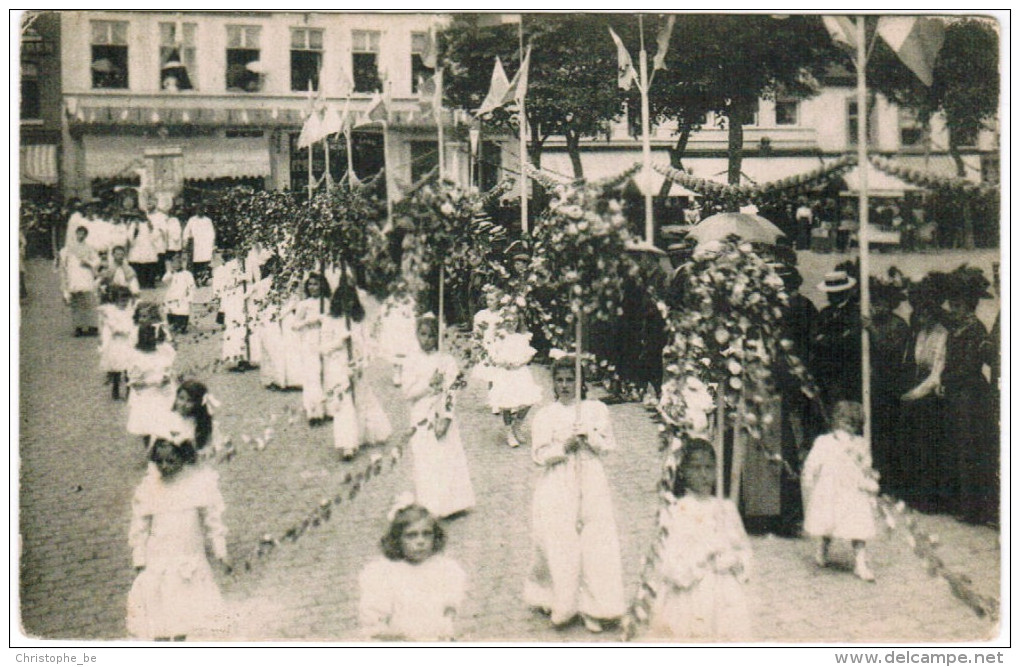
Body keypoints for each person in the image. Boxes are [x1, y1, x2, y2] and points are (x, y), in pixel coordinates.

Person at [524, 356, 625, 633]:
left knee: (596, 539)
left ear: (581, 383)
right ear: (554, 383)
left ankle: (596, 606)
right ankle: (564, 602)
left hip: (591, 479)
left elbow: (608, 446)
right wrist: (563, 447)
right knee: (562, 541)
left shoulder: (596, 410)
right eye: (560, 380)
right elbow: (539, 455)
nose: (566, 385)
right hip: (558, 482)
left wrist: (590, 436)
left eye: (571, 380)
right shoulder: (546, 415)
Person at [648, 439, 752, 640]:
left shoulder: (726, 508)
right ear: (683, 472)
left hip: (725, 595)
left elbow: (743, 549)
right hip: (690, 597)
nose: (704, 475)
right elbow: (670, 567)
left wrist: (734, 560)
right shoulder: (676, 511)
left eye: (709, 468)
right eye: (696, 468)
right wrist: (704, 553)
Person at [126, 439, 230, 640]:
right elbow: (140, 526)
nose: (165, 466)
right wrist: (139, 557)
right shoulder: (149, 488)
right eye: (160, 462)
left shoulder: (197, 485)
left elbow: (212, 520)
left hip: (188, 556)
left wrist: (220, 550)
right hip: (160, 558)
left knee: (184, 613)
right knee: (160, 612)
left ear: (184, 457)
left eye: (171, 461)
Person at [358, 498, 467, 641]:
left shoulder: (446, 569)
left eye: (427, 534)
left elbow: (450, 607)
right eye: (411, 535)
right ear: (397, 539)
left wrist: (446, 627)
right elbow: (374, 625)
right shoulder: (383, 573)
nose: (420, 541)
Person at [401, 314, 475, 518]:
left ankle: (453, 503)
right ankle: (430, 503)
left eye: (431, 336)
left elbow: (453, 391)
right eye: (422, 335)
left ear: (437, 338)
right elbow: (407, 392)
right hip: (420, 414)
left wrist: (447, 417)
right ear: (416, 335)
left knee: (446, 457)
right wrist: (428, 384)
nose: (426, 340)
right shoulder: (411, 360)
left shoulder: (446, 360)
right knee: (426, 459)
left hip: (442, 412)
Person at [801, 401, 879, 582]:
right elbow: (813, 462)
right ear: (835, 421)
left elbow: (866, 466)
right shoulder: (824, 442)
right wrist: (809, 477)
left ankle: (860, 563)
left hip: (853, 491)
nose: (847, 426)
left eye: (853, 423)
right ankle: (822, 548)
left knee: (859, 524)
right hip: (830, 490)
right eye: (844, 421)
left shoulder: (860, 444)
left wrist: (869, 480)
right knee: (828, 522)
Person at [942, 267, 995, 525]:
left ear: (968, 305)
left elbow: (969, 365)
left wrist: (949, 379)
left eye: (957, 305)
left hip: (971, 393)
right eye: (952, 304)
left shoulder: (975, 328)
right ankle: (964, 503)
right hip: (958, 391)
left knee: (970, 450)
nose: (953, 309)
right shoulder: (958, 326)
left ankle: (974, 508)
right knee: (960, 448)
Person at [321, 280, 392, 460]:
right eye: (343, 300)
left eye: (351, 300)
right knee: (344, 403)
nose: (347, 304)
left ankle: (360, 434)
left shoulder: (358, 321)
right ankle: (347, 444)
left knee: (360, 401)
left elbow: (368, 345)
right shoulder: (329, 321)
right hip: (338, 367)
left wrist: (362, 362)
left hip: (356, 365)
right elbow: (323, 348)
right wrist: (339, 342)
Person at [897, 283, 949, 511]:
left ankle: (932, 499)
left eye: (927, 312)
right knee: (914, 445)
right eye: (920, 312)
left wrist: (914, 394)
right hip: (917, 390)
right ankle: (915, 494)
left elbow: (936, 373)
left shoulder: (942, 334)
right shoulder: (920, 334)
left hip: (930, 396)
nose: (923, 316)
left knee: (930, 448)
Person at [864, 279, 911, 503]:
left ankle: (892, 482)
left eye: (881, 302)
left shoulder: (898, 325)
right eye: (874, 302)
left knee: (889, 434)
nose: (876, 307)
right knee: (873, 433)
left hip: (891, 385)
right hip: (873, 384)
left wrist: (871, 330)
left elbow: (891, 351)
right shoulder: (870, 321)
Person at [487, 308, 543, 448]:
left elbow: (529, 354)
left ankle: (517, 425)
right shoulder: (500, 337)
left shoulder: (521, 338)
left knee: (528, 400)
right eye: (508, 321)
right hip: (505, 373)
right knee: (507, 403)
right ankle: (508, 432)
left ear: (518, 323)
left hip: (520, 372)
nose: (511, 324)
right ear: (503, 322)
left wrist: (521, 362)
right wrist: (503, 362)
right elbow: (493, 356)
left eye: (514, 321)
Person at [812, 270, 861, 406]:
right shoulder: (825, 313)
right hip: (826, 370)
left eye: (835, 292)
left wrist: (827, 339)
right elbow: (815, 338)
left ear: (845, 292)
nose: (830, 295)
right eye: (829, 292)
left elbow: (850, 340)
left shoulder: (855, 313)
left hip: (847, 371)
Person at [126, 323, 177, 452]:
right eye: (146, 336)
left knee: (166, 422)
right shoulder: (136, 357)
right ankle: (151, 451)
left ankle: (165, 451)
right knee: (148, 425)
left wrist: (167, 376)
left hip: (165, 393)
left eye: (152, 336)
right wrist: (155, 382)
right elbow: (135, 383)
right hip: (148, 396)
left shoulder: (162, 352)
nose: (150, 339)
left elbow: (168, 367)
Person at [291, 274, 331, 425]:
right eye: (310, 284)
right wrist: (309, 321)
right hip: (310, 340)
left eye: (316, 284)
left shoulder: (327, 302)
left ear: (322, 285)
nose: (313, 287)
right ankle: (314, 411)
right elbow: (294, 325)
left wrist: (325, 320)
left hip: (326, 339)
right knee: (312, 374)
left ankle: (328, 408)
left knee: (326, 373)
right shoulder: (304, 304)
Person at [60, 225, 101, 337]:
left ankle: (91, 326)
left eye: (83, 233)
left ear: (86, 235)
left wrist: (89, 263)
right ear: (76, 233)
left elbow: (97, 261)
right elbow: (64, 265)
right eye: (79, 233)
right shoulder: (68, 249)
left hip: (86, 277)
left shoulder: (89, 248)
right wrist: (65, 281)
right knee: (76, 304)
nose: (81, 235)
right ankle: (78, 327)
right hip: (74, 277)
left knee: (89, 302)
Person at [97, 284, 137, 400]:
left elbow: (133, 321)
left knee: (129, 367)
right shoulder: (112, 313)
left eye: (126, 301)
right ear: (115, 301)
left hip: (128, 343)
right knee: (117, 367)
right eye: (121, 301)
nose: (124, 304)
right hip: (117, 343)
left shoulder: (129, 311)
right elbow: (112, 326)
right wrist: (121, 330)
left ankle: (129, 390)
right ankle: (115, 387)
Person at [162, 253, 196, 334]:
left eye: (178, 263)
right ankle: (173, 325)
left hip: (182, 296)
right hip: (172, 296)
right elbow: (164, 280)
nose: (176, 265)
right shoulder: (171, 274)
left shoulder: (187, 274)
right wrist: (170, 272)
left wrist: (190, 297)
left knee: (183, 311)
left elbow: (192, 286)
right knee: (171, 311)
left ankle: (182, 326)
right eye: (174, 263)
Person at [183, 204, 216, 286]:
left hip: (205, 244)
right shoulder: (192, 220)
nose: (200, 211)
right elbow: (187, 231)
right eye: (198, 210)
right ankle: (195, 279)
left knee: (205, 262)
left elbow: (211, 233)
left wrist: (212, 244)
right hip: (195, 245)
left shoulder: (207, 220)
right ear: (196, 211)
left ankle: (205, 279)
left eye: (202, 210)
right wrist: (186, 241)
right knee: (195, 263)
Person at [127, 210, 160, 289]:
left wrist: (151, 228)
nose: (141, 217)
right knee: (137, 265)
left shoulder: (150, 223)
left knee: (150, 264)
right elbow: (130, 237)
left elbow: (156, 237)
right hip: (137, 247)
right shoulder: (134, 224)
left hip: (148, 247)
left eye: (143, 215)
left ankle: (150, 283)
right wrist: (136, 230)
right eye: (139, 215)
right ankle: (140, 283)